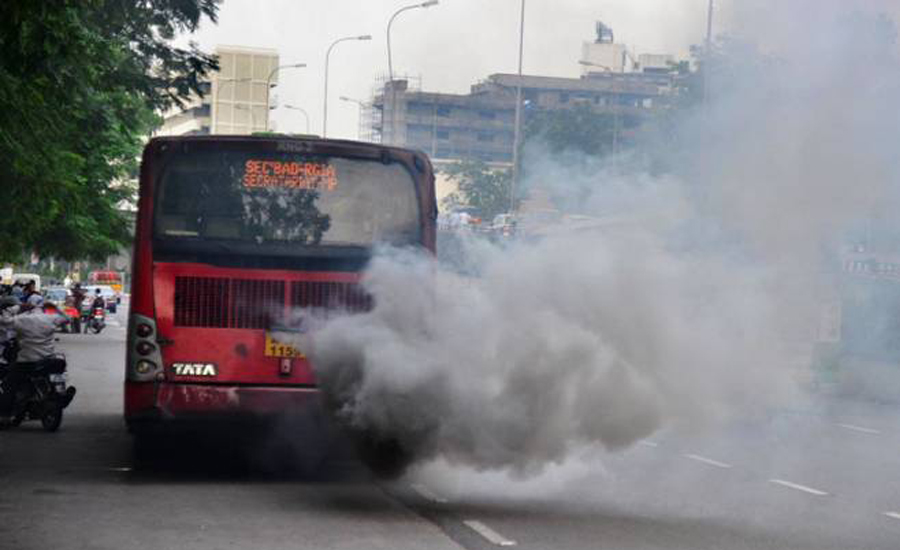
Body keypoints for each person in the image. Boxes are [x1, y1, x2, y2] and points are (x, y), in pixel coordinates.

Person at [0, 295, 69, 423]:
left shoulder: (22, 319)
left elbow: (4, 321)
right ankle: (59, 395)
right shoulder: (51, 318)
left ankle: (4, 415)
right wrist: (55, 308)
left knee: (9, 384)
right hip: (47, 359)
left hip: (27, 361)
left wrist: (14, 308)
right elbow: (66, 319)